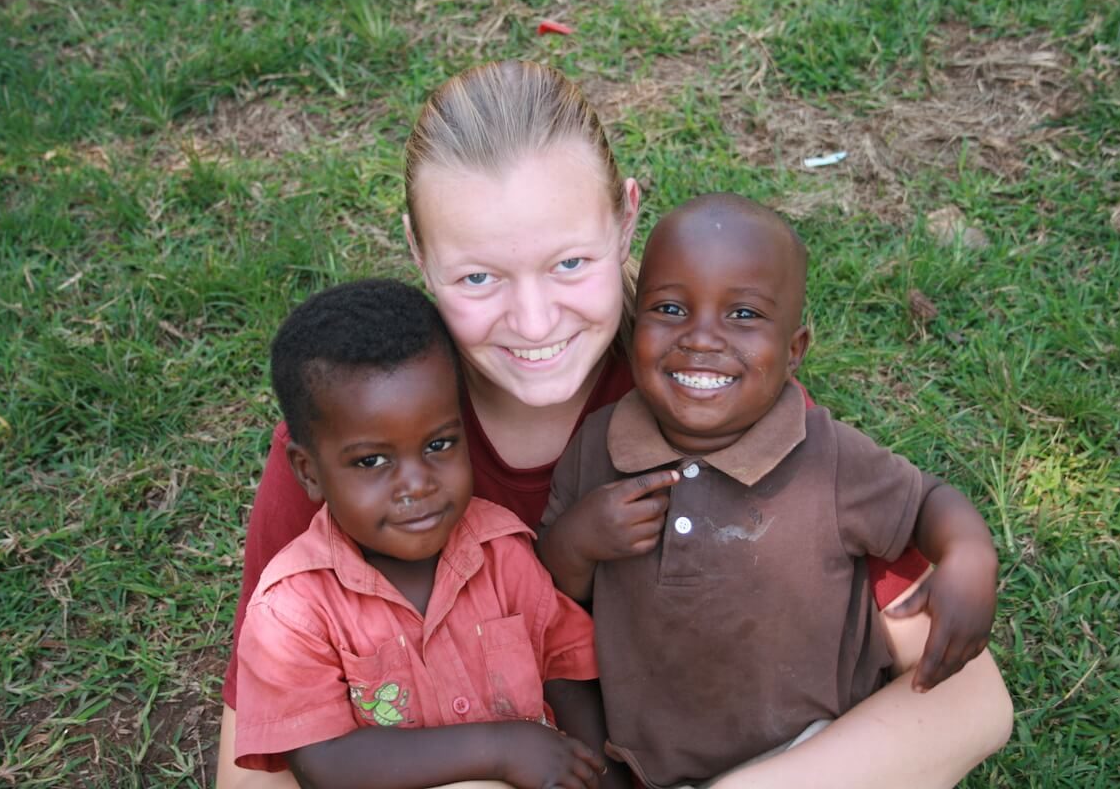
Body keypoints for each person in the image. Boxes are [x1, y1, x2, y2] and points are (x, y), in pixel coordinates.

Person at [216, 60, 1013, 789]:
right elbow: (255, 763)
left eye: (570, 263)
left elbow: (965, 698)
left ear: (626, 221)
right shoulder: (356, 439)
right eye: (478, 276)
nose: (533, 323)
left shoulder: (700, 392)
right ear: (419, 256)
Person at [536, 193, 1005, 788]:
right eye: (671, 308)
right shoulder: (599, 445)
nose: (701, 338)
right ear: (634, 332)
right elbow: (553, 591)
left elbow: (926, 502)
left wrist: (969, 554)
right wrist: (578, 542)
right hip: (645, 760)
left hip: (809, 750)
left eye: (744, 316)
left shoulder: (827, 456)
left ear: (794, 351)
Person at [235, 279, 629, 789]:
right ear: (308, 471)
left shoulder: (503, 551)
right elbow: (325, 762)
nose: (417, 484)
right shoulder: (293, 613)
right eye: (371, 460)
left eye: (439, 444)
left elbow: (567, 677)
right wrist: (499, 749)